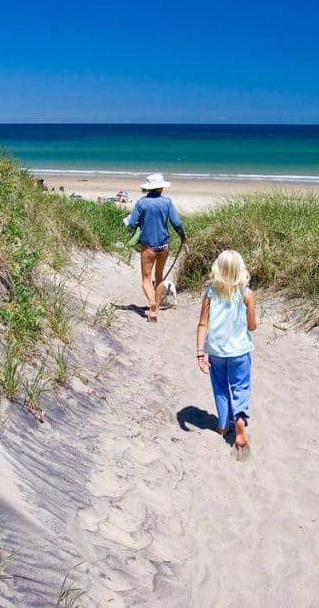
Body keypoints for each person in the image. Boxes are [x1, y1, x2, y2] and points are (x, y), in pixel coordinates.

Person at [195, 250, 257, 455]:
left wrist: (199, 353)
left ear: (217, 270)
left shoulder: (211, 293)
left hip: (216, 351)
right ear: (241, 270)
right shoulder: (247, 294)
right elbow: (252, 326)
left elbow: (202, 323)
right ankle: (239, 419)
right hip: (240, 351)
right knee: (240, 387)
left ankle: (223, 425)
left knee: (220, 387)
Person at [126, 173, 186, 322]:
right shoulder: (167, 202)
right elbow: (177, 223)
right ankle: (156, 309)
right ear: (161, 188)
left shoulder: (141, 203)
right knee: (159, 278)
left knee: (146, 279)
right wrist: (182, 236)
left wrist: (132, 221)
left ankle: (152, 302)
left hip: (148, 246)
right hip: (164, 245)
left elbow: (132, 224)